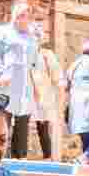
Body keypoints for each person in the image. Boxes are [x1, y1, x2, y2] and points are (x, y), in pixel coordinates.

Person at [0, 2, 38, 159]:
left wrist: (36, 86)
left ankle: (20, 158)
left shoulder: (31, 37)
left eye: (27, 15)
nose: (24, 18)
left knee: (23, 121)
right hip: (7, 82)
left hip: (24, 84)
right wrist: (1, 73)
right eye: (21, 14)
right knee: (3, 121)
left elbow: (34, 61)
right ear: (14, 15)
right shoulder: (3, 31)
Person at [30, 23, 63, 161]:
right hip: (31, 93)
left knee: (44, 124)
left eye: (37, 36)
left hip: (45, 94)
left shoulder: (47, 54)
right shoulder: (28, 54)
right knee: (36, 124)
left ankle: (49, 156)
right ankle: (46, 155)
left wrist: (59, 92)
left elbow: (56, 75)